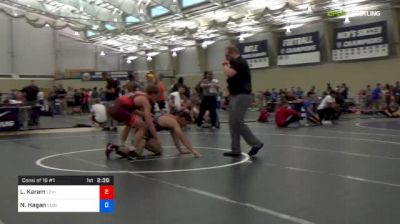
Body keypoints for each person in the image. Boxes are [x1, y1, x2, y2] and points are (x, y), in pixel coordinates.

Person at [222, 45, 264, 157]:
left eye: (227, 55)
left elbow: (229, 73)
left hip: (241, 95)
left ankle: (256, 143)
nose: (226, 57)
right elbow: (233, 79)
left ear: (232, 53)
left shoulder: (240, 62)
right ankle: (235, 149)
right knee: (232, 123)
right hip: (235, 95)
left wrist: (225, 65)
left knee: (237, 122)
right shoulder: (236, 63)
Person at [107, 112, 201, 158]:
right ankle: (113, 147)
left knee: (159, 150)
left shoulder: (174, 122)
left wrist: (180, 150)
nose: (185, 125)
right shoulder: (173, 122)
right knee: (135, 155)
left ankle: (141, 144)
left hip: (149, 135)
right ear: (183, 118)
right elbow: (182, 137)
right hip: (142, 133)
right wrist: (193, 151)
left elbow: (175, 137)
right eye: (186, 123)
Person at [107, 83, 160, 159]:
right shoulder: (146, 101)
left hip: (114, 109)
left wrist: (143, 114)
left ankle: (120, 145)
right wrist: (156, 138)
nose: (156, 99)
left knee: (129, 124)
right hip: (120, 110)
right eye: (156, 96)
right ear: (152, 94)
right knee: (143, 126)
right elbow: (149, 123)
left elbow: (131, 108)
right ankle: (132, 150)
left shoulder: (139, 94)